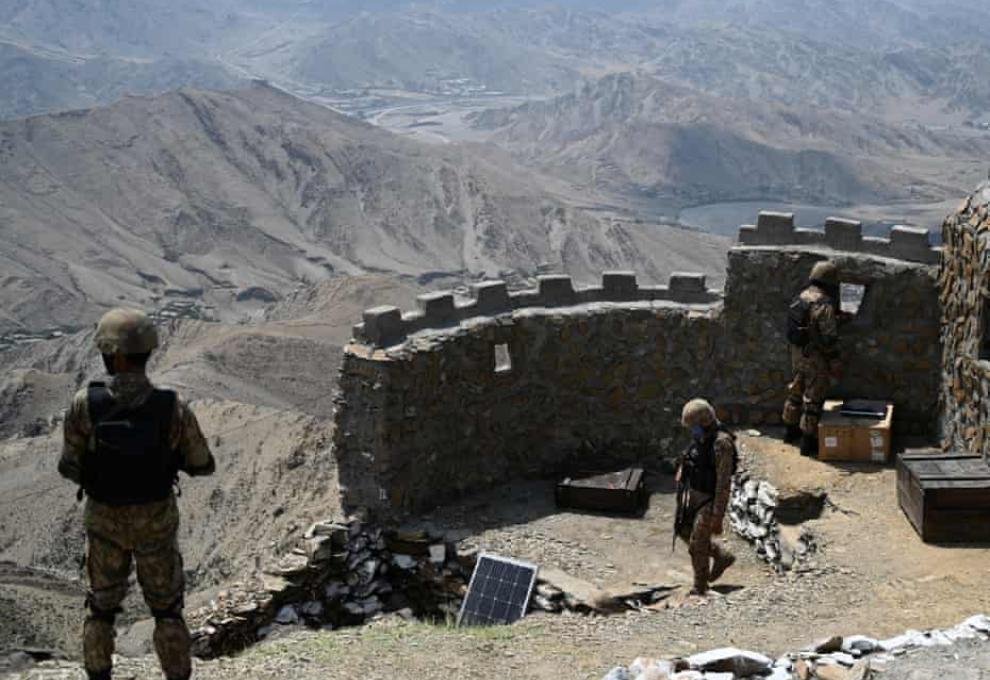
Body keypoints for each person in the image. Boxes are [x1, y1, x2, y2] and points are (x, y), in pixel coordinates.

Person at [58, 308, 215, 680]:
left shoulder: (85, 404)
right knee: (167, 611)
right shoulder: (172, 407)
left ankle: (99, 674)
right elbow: (202, 462)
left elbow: (68, 466)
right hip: (156, 521)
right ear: (146, 353)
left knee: (100, 609)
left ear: (112, 355)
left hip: (103, 520)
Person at [674, 398, 737, 600]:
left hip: (709, 499)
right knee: (683, 531)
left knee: (696, 545)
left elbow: (723, 483)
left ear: (704, 421)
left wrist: (717, 516)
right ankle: (720, 555)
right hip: (694, 494)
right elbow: (693, 455)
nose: (692, 431)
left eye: (693, 426)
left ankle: (700, 586)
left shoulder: (721, 443)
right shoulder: (703, 437)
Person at [782, 260, 843, 457]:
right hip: (814, 356)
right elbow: (829, 336)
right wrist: (834, 359)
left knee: (795, 392)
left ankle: (789, 432)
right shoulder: (824, 304)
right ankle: (807, 443)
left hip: (797, 353)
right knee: (813, 400)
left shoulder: (802, 297)